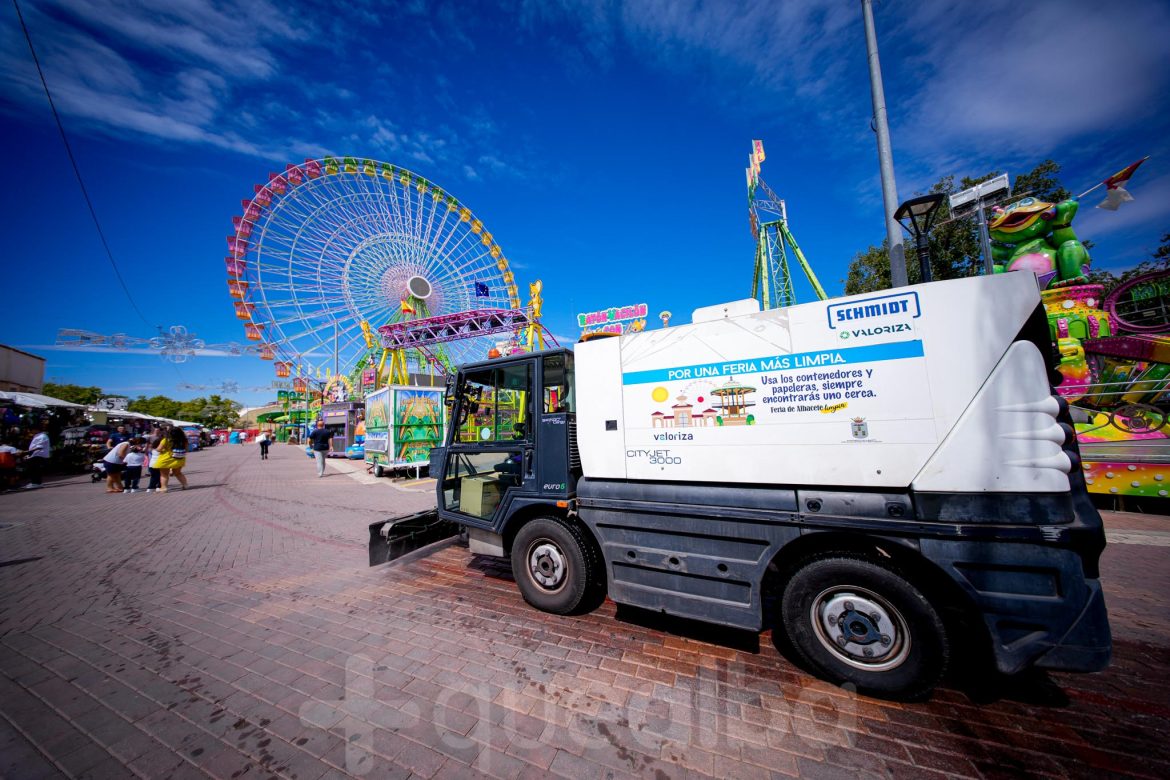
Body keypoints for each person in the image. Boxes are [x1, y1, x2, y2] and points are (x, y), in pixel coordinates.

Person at [156, 426, 189, 491]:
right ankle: (185, 485)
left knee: (164, 474)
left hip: (166, 460)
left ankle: (164, 488)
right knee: (178, 473)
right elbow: (186, 450)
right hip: (179, 459)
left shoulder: (166, 440)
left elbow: (158, 449)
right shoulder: (184, 440)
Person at [23, 424, 51, 489]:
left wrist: (27, 452)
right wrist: (29, 454)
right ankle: (34, 482)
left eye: (32, 430)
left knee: (35, 469)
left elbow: (39, 447)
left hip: (39, 455)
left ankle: (37, 483)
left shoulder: (42, 436)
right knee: (32, 469)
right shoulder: (37, 436)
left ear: (36, 429)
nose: (31, 431)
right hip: (34, 454)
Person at [144, 428, 164, 492]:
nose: (157, 431)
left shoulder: (153, 450)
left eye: (158, 430)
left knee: (154, 475)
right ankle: (158, 486)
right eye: (156, 430)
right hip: (159, 463)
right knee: (160, 475)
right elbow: (147, 444)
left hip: (152, 463)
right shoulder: (151, 437)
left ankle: (151, 487)